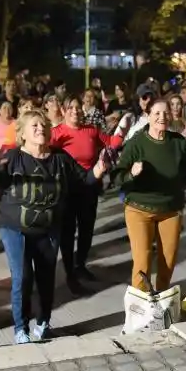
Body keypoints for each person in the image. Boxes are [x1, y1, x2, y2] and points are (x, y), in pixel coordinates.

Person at [0, 110, 107, 344]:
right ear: (22, 134)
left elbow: (84, 180)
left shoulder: (60, 158)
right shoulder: (12, 158)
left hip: (49, 228)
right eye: (34, 125)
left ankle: (43, 321)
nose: (40, 129)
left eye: (43, 125)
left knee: (46, 278)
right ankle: (20, 328)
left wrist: (99, 169)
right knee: (23, 277)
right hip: (16, 228)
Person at [113, 99, 186, 292]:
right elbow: (116, 177)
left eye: (165, 113)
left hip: (171, 210)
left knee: (167, 262)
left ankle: (160, 299)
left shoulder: (178, 142)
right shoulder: (137, 143)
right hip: (139, 209)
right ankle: (141, 306)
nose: (162, 117)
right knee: (142, 262)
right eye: (157, 113)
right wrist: (131, 173)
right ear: (149, 116)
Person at [50, 97, 123, 293]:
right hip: (66, 189)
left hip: (90, 185)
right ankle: (69, 274)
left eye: (78, 107)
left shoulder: (91, 130)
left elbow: (111, 143)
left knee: (87, 229)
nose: (75, 111)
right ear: (64, 111)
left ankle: (80, 265)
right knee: (67, 232)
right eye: (70, 107)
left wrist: (124, 130)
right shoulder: (57, 133)